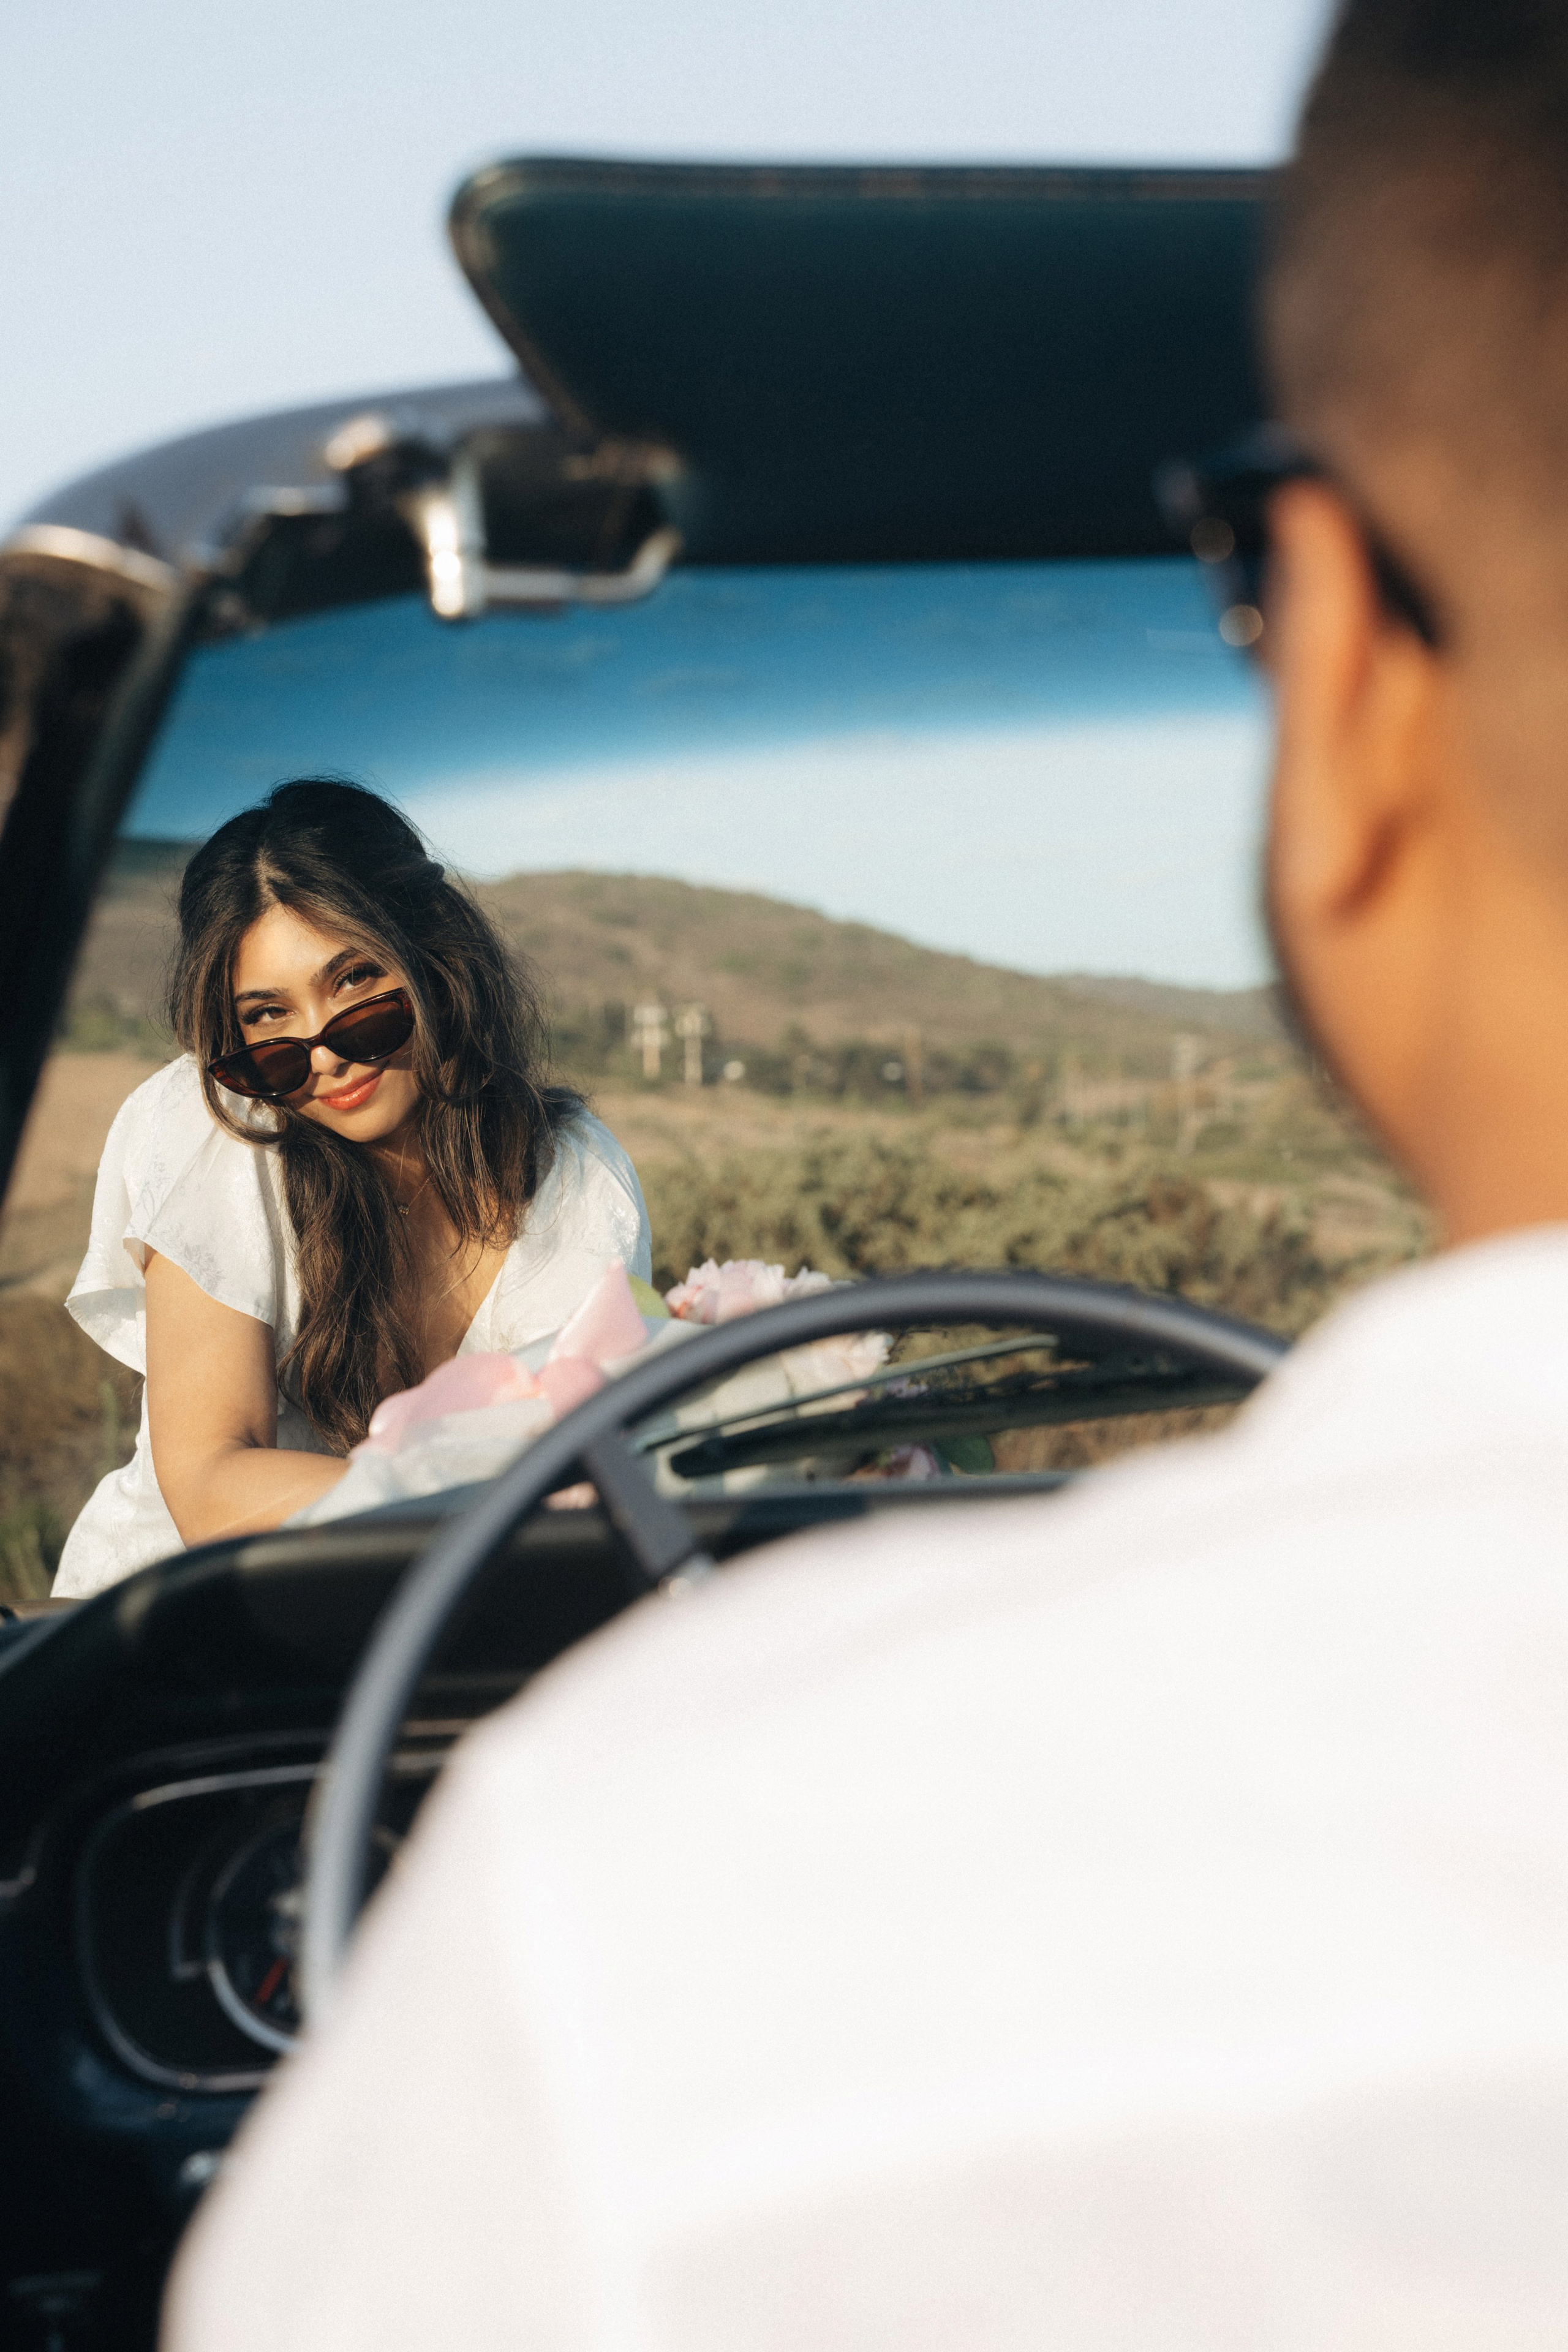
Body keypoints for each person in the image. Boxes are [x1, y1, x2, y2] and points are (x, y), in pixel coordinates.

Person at [164, 3, 1568, 2342]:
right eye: (262, 1035)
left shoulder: (661, 1932)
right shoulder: (196, 1161)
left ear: (1337, 690)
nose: (309, 1056)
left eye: (354, 1006)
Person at [55, 779, 650, 1597]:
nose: (324, 1054)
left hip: (450, 1608)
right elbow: (210, 1490)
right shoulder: (221, 1127)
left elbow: (591, 1442)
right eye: (268, 1021)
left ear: (435, 959)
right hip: (188, 1627)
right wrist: (503, 1510)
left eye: (354, 984)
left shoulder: (572, 1173)